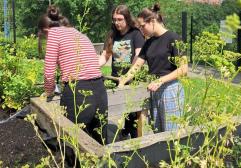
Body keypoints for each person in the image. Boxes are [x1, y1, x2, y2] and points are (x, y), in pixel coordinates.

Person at [38, 5, 108, 144]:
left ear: (46, 30)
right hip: (100, 89)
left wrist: (49, 91)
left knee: (73, 142)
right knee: (100, 140)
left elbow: (49, 73)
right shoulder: (78, 33)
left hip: (78, 90)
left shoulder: (54, 33)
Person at [118, 3, 188, 132]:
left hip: (171, 89)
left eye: (143, 26)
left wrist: (160, 80)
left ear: (152, 21)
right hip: (154, 90)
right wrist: (122, 81)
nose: (141, 30)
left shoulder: (174, 38)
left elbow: (183, 69)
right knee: (157, 132)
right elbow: (137, 66)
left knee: (172, 133)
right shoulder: (148, 43)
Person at [99, 5, 145, 139]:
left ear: (127, 18)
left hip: (132, 79)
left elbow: (139, 56)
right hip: (115, 79)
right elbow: (104, 56)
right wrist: (92, 67)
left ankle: (135, 141)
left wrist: (129, 75)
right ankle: (120, 136)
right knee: (114, 109)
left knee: (132, 116)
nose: (117, 22)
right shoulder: (112, 35)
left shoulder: (136, 34)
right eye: (114, 19)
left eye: (120, 19)